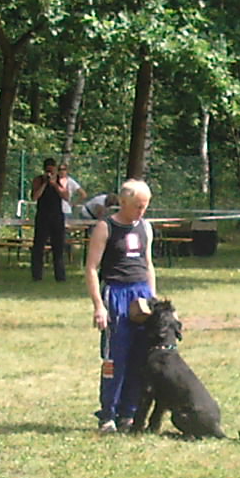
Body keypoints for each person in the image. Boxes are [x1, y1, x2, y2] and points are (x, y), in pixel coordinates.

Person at [84, 178, 157, 433]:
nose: (141, 211)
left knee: (139, 356)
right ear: (123, 202)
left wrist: (153, 300)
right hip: (116, 293)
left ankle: (129, 413)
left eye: (145, 206)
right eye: (137, 206)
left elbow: (148, 264)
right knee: (115, 358)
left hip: (141, 293)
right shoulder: (105, 227)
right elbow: (91, 268)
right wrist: (99, 306)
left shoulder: (145, 227)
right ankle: (108, 415)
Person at [28, 157, 70, 282]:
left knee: (58, 247)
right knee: (38, 246)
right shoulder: (38, 180)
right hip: (43, 216)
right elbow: (34, 197)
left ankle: (60, 276)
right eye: (48, 171)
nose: (50, 173)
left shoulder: (61, 180)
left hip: (57, 216)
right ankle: (37, 275)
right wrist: (45, 184)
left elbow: (66, 196)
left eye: (52, 170)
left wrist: (54, 184)